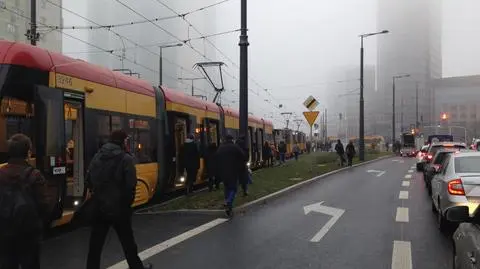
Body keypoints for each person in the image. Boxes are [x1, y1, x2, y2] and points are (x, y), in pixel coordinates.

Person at [85, 130, 152, 269]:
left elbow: (89, 181)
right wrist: (126, 205)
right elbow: (131, 185)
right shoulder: (126, 159)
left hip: (100, 207)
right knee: (128, 244)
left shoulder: (97, 156)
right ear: (123, 142)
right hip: (119, 208)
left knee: (95, 246)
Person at [0, 134, 51, 269]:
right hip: (28, 231)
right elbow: (44, 205)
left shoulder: (1, 173)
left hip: (4, 230)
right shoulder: (34, 175)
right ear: (28, 152)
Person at [215, 135, 245, 217]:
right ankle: (228, 201)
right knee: (234, 188)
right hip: (233, 171)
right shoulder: (235, 147)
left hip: (223, 171)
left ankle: (229, 208)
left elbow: (217, 157)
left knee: (226, 188)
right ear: (232, 139)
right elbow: (243, 155)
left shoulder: (220, 148)